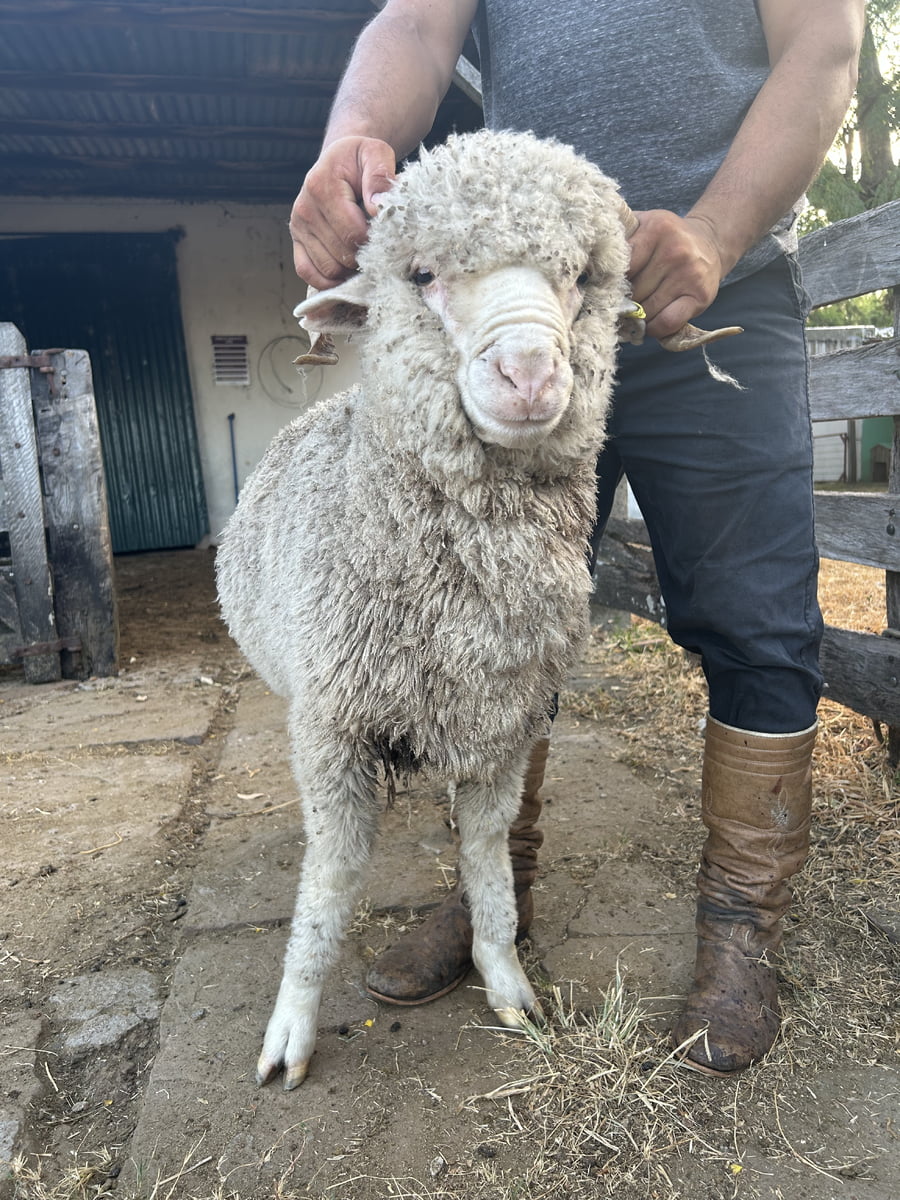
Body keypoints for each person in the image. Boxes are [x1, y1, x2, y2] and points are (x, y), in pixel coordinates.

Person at [287, 0, 866, 1074]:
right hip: (507, 304)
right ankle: (488, 893)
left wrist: (717, 229)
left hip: (710, 293)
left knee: (757, 619)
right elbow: (413, 27)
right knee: (486, 616)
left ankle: (742, 934)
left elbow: (827, 44)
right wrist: (345, 148)